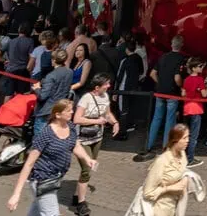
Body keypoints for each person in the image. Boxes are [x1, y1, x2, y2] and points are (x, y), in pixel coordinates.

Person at [8, 99, 98, 216]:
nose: (72, 112)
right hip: (42, 179)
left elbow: (75, 145)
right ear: (58, 114)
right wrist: (16, 194)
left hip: (56, 178)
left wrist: (87, 159)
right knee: (51, 213)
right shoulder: (46, 134)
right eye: (68, 110)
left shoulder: (70, 126)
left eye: (72, 109)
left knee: (37, 209)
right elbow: (29, 164)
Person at [74, 73, 119, 216]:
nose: (109, 86)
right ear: (97, 87)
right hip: (82, 139)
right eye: (106, 84)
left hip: (97, 137)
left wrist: (115, 123)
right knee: (86, 168)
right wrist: (96, 121)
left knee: (90, 167)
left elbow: (107, 113)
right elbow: (76, 119)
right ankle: (81, 204)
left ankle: (76, 195)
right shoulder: (86, 99)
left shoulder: (105, 97)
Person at [137, 35, 186, 160]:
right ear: (181, 45)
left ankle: (148, 145)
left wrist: (159, 83)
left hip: (159, 92)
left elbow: (152, 74)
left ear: (171, 44)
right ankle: (166, 147)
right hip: (172, 93)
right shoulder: (181, 59)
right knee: (170, 120)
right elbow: (177, 78)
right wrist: (180, 86)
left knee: (156, 118)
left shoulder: (163, 57)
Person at [140, 123, 190, 216]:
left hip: (176, 207)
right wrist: (170, 188)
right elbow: (147, 192)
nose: (188, 141)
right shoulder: (162, 161)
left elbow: (183, 171)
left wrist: (186, 178)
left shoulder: (182, 154)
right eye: (184, 138)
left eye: (188, 137)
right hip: (160, 209)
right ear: (175, 140)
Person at [31, 48, 73, 140]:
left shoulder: (51, 76)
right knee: (54, 138)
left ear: (54, 60)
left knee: (39, 140)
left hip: (46, 111)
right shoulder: (69, 72)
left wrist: (37, 88)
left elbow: (42, 96)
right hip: (60, 109)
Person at [114, 37, 145, 139]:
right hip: (134, 87)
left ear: (126, 49)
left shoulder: (125, 60)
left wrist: (115, 91)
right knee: (131, 107)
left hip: (124, 88)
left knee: (123, 109)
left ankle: (122, 132)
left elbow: (119, 76)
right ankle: (130, 125)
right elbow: (141, 72)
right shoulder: (139, 58)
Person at [180, 57, 207, 168]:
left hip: (187, 108)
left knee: (186, 134)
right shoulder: (200, 80)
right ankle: (190, 159)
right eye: (200, 66)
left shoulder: (186, 79)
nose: (202, 68)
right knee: (193, 136)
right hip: (196, 109)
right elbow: (204, 95)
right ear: (194, 68)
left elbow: (183, 93)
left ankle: (183, 156)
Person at [6, 23, 36, 95]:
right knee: (23, 93)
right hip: (23, 70)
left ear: (19, 30)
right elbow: (31, 56)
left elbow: (8, 54)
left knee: (9, 93)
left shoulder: (11, 41)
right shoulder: (30, 41)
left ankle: (5, 106)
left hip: (10, 69)